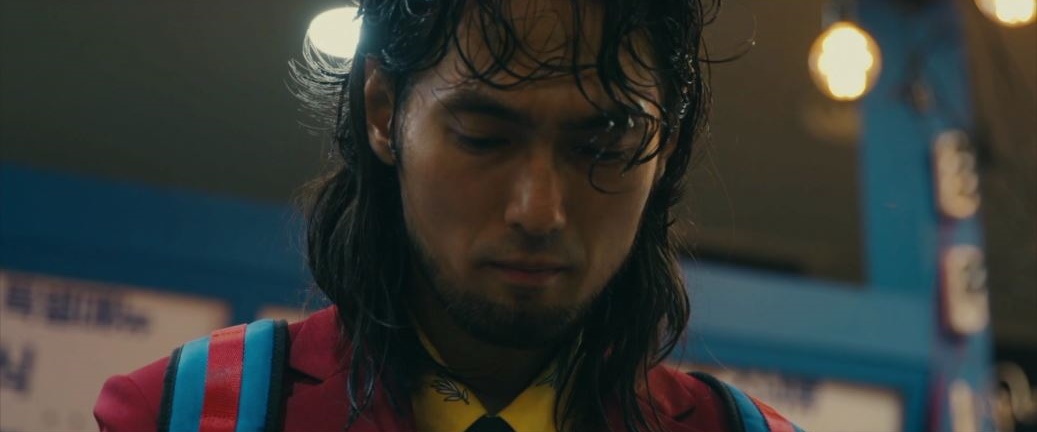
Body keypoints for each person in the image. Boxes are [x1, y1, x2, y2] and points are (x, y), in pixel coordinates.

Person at [95, 0, 802, 431]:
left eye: (603, 146)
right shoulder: (187, 416)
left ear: (667, 144)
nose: (538, 211)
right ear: (383, 111)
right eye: (483, 137)